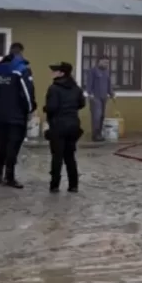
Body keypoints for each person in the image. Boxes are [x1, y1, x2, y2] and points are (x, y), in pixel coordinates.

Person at [0, 48, 37, 188]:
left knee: (2, 144)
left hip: (1, 116)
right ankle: (10, 177)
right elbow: (27, 93)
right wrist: (30, 109)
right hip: (17, 117)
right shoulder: (21, 71)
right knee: (13, 147)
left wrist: (0, 104)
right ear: (19, 53)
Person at [44, 62, 85, 193]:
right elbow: (81, 104)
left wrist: (45, 109)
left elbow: (52, 107)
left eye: (55, 71)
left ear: (62, 73)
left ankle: (54, 185)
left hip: (58, 126)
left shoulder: (54, 88)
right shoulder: (76, 88)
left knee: (57, 156)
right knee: (70, 156)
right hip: (73, 125)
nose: (52, 73)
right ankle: (73, 185)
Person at [85, 56, 114, 142]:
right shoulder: (93, 71)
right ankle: (95, 135)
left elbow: (109, 84)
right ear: (99, 62)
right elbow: (89, 83)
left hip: (104, 97)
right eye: (105, 62)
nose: (106, 64)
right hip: (95, 97)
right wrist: (89, 93)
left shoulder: (106, 72)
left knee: (102, 116)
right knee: (96, 116)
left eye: (107, 63)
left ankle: (99, 134)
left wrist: (111, 93)